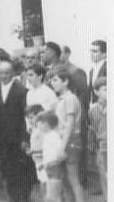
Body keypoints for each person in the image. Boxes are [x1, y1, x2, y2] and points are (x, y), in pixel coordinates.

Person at [0, 61, 34, 202]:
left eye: (7, 73)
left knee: (20, 168)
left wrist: (24, 138)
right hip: (2, 138)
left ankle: (23, 196)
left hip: (17, 137)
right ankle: (13, 197)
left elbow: (25, 116)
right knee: (7, 169)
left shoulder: (21, 90)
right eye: (1, 73)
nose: (4, 76)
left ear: (12, 73)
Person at [49, 71, 86, 202]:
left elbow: (70, 124)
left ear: (65, 81)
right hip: (62, 141)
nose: (52, 83)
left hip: (70, 141)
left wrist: (62, 147)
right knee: (64, 179)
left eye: (55, 80)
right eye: (51, 80)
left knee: (73, 178)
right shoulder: (60, 100)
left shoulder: (70, 98)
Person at [36, 112, 66, 202]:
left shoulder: (53, 136)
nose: (38, 125)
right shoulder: (47, 136)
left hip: (55, 168)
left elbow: (60, 152)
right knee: (51, 196)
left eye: (40, 122)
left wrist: (54, 161)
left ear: (46, 124)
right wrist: (44, 164)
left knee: (54, 196)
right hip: (50, 168)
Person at [88, 77, 107, 196]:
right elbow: (94, 130)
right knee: (104, 177)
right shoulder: (93, 110)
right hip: (102, 148)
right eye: (105, 89)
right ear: (96, 92)